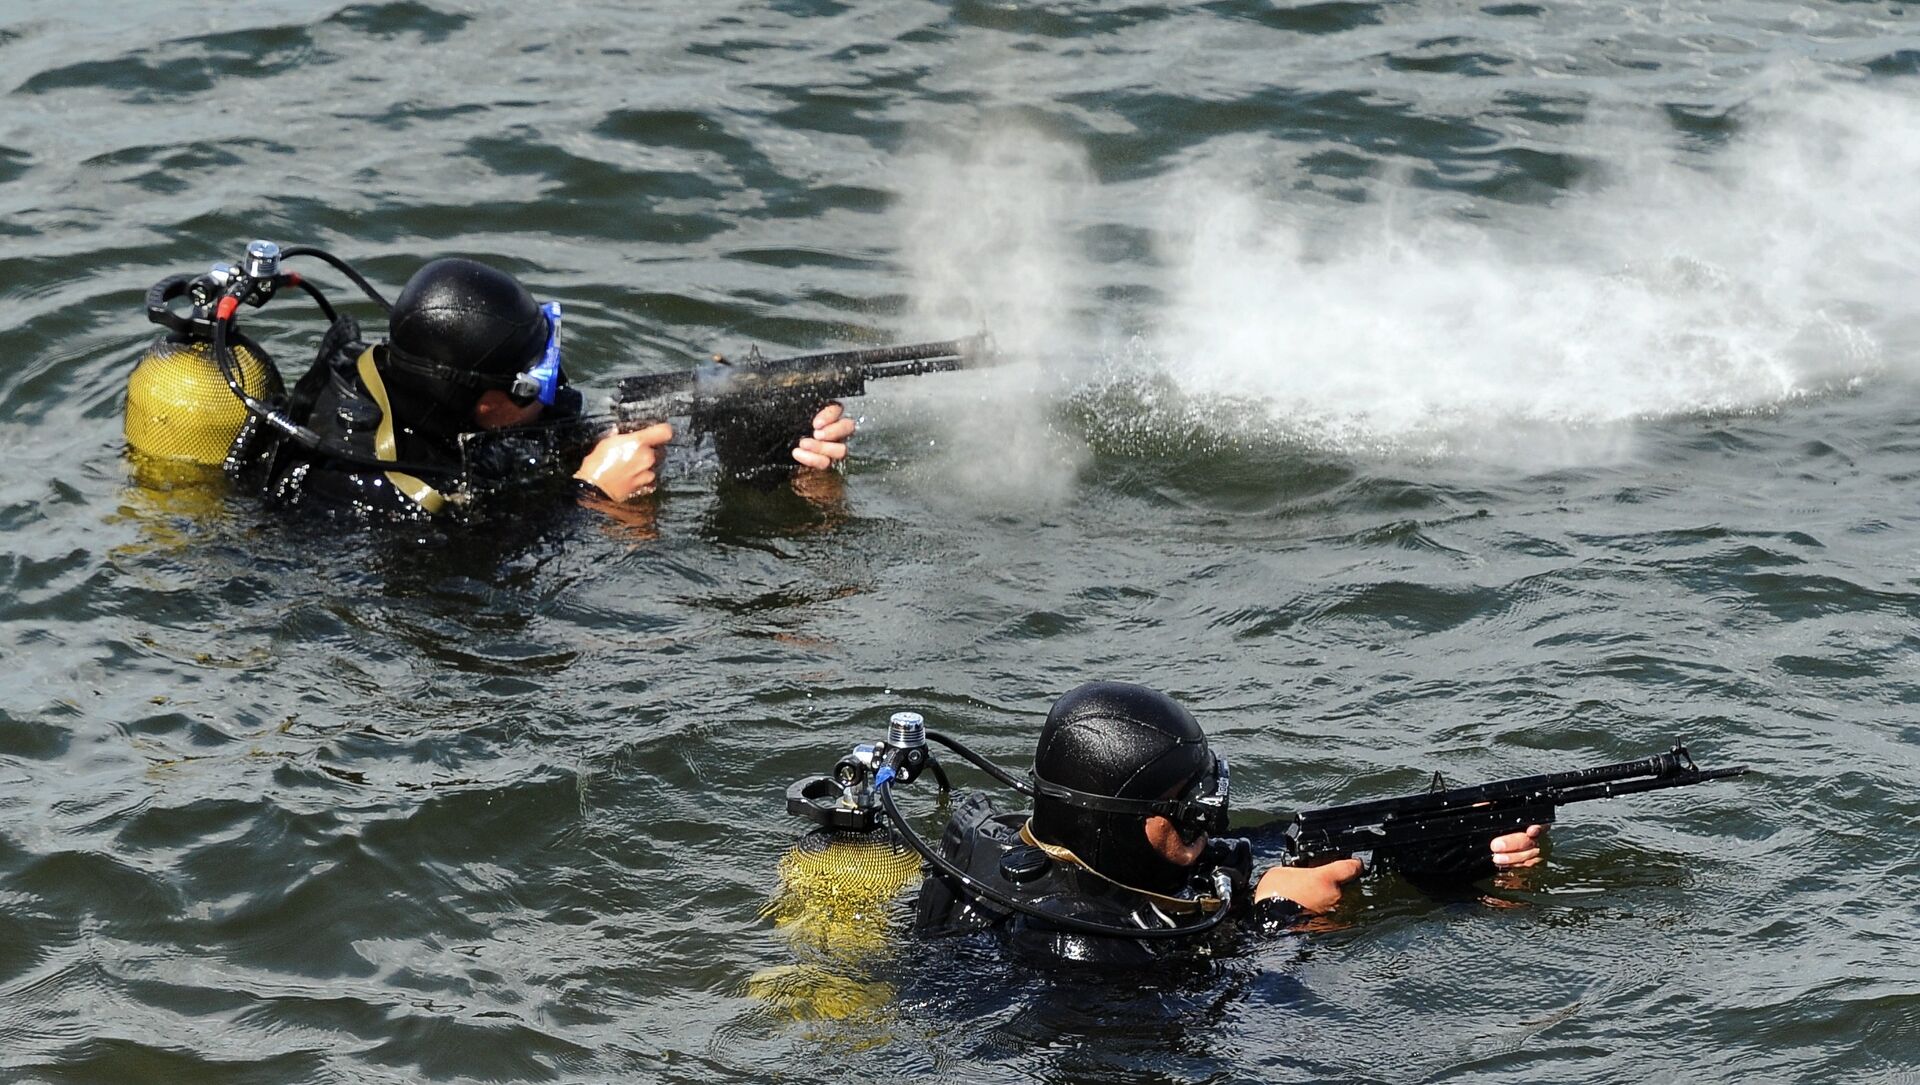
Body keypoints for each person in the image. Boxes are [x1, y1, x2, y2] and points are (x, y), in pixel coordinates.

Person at [914, 681, 1547, 966]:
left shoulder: (1075, 851)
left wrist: (1428, 839)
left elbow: (1251, 850)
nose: (1205, 816)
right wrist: (1276, 920)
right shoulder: (1074, 943)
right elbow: (1237, 1037)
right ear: (1116, 825)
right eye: (1184, 805)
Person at [235, 257, 858, 519]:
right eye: (536, 380)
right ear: (485, 403)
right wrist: (593, 498)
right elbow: (477, 600)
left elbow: (532, 456)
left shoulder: (435, 399)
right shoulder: (370, 487)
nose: (558, 389)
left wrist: (771, 450)